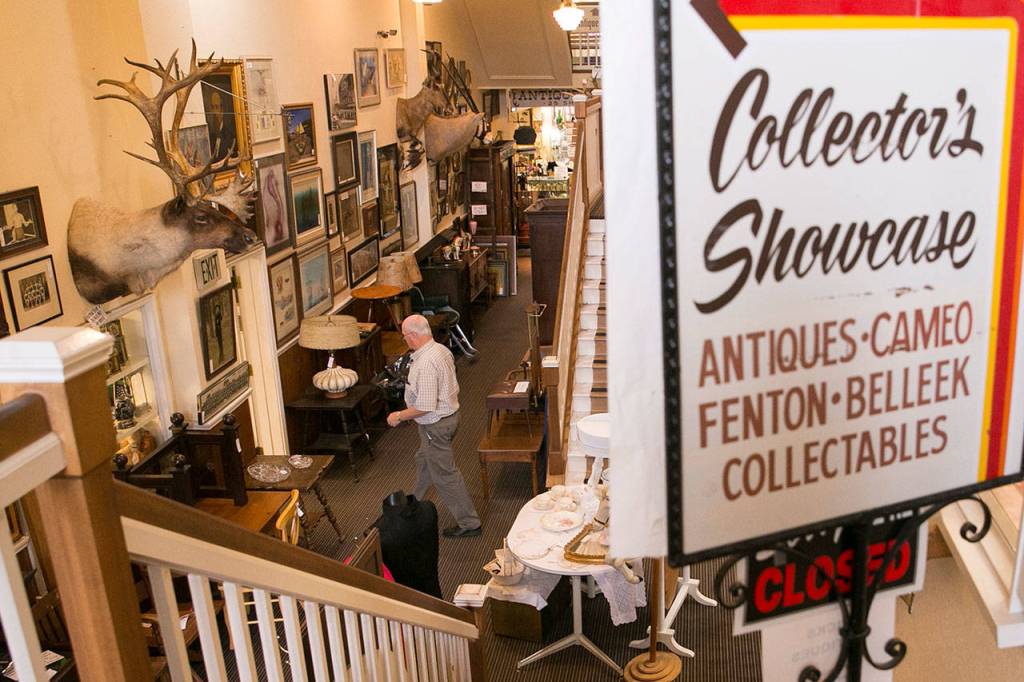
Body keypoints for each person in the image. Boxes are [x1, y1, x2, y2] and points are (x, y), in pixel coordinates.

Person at [387, 314, 482, 538]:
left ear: (413, 335)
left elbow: (425, 406)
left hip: (435, 426)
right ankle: (415, 502)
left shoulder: (427, 363)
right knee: (423, 460)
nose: (405, 341)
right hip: (446, 420)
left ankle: (470, 523)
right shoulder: (440, 350)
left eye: (405, 336)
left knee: (445, 476)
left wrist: (399, 416)